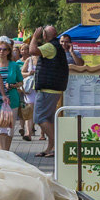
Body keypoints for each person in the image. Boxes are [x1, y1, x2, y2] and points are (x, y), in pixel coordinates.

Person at [29, 25, 69, 158]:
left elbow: (32, 50)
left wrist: (34, 37)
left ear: (45, 35)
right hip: (54, 89)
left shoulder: (50, 46)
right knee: (48, 120)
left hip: (48, 90)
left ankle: (57, 146)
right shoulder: (56, 46)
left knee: (39, 118)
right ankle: (50, 148)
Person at [0, 39, 23, 151]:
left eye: (4, 49)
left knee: (9, 129)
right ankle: (2, 154)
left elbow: (21, 81)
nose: (2, 52)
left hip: (12, 101)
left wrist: (13, 85)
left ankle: (7, 152)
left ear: (9, 51)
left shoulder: (14, 65)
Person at [19, 47, 38, 141]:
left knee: (39, 111)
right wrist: (29, 73)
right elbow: (22, 72)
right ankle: (28, 133)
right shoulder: (29, 60)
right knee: (29, 111)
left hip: (41, 87)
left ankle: (41, 133)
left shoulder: (45, 59)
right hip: (30, 88)